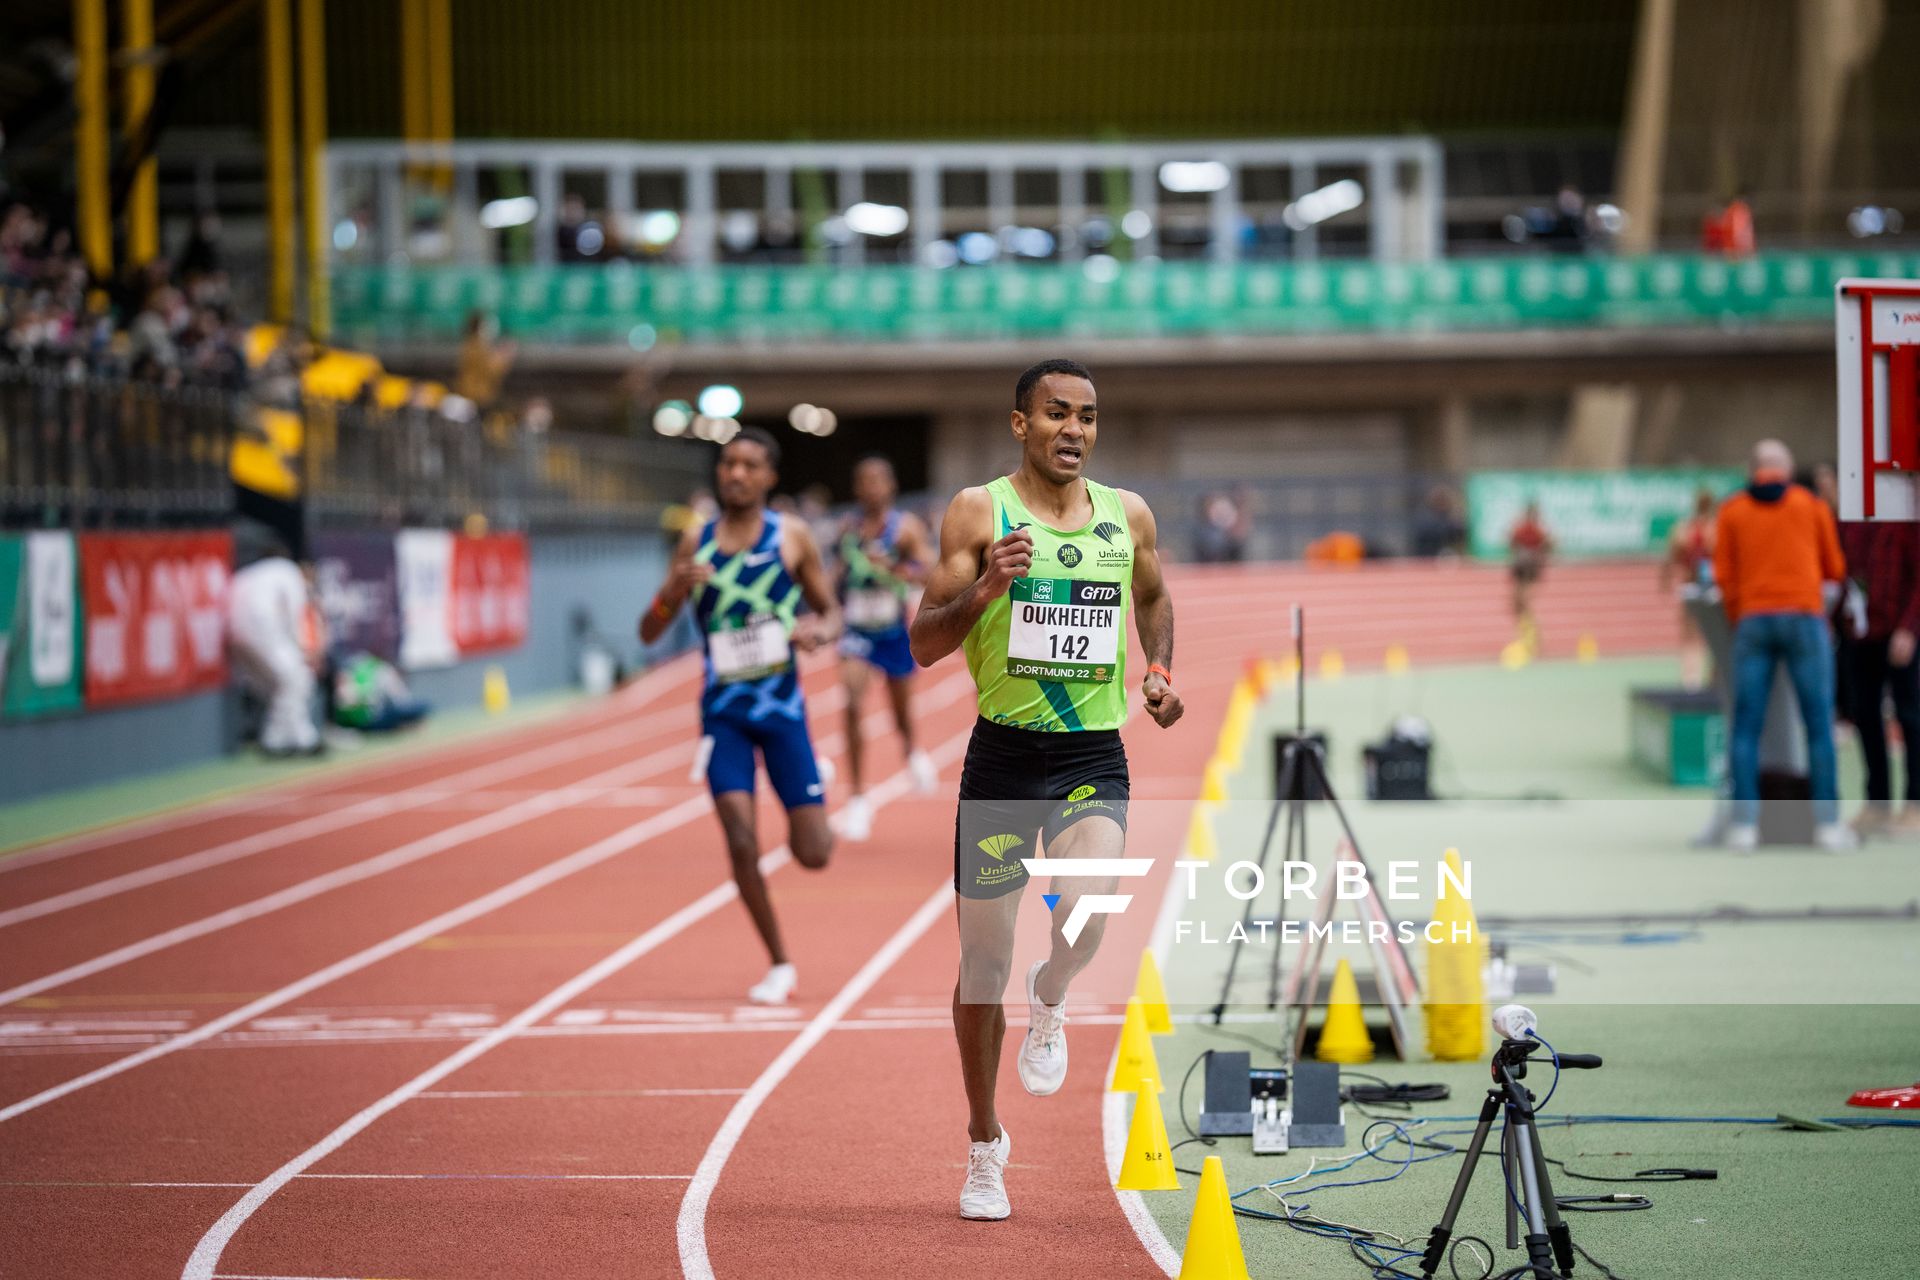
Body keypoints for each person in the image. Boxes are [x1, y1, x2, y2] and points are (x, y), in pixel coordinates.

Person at [909, 358, 1183, 1221]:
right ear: (1021, 424)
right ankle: (985, 1144)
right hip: (1001, 762)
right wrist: (989, 586)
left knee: (1090, 910)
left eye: (1089, 417)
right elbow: (921, 642)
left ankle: (1055, 990)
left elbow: (1155, 595)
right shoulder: (977, 511)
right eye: (1057, 414)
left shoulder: (1126, 514)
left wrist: (1160, 668)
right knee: (981, 966)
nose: (1075, 430)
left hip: (1089, 756)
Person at [639, 427, 842, 1004]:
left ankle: (812, 775)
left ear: (770, 477)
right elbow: (649, 631)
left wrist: (815, 631)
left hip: (782, 713)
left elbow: (831, 613)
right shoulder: (693, 545)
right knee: (742, 840)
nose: (736, 474)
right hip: (723, 716)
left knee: (814, 854)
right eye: (728, 464)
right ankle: (779, 961)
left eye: (750, 465)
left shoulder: (792, 537)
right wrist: (671, 591)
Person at [1712, 439, 1852, 851]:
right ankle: (1827, 825)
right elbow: (1836, 568)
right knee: (1818, 725)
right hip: (1805, 617)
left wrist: (1743, 613)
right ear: (1787, 470)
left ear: (1753, 469)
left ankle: (1744, 826)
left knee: (1746, 727)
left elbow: (1723, 575)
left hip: (1754, 621)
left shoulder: (1733, 510)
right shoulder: (1811, 506)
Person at [837, 456, 938, 840]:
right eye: (863, 481)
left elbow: (930, 570)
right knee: (850, 699)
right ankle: (858, 798)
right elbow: (835, 574)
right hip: (857, 629)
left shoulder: (904, 529)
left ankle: (912, 749)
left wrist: (899, 569)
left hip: (893, 629)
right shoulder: (849, 529)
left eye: (877, 481)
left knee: (900, 712)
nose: (870, 488)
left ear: (890, 486)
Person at [1838, 518, 1920, 837]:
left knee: (1909, 715)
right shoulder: (1853, 523)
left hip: (1899, 631)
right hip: (1861, 633)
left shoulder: (1907, 521)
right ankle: (1878, 803)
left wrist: (1910, 629)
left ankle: (1915, 804)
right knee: (1864, 715)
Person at [228, 548, 323, 757]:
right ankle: (291, 739)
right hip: (262, 631)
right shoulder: (288, 572)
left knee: (280, 687)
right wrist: (303, 650)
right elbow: (294, 613)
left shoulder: (249, 573)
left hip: (233, 635)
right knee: (297, 679)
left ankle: (290, 736)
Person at [1660, 489, 1718, 689]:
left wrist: (1665, 580)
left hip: (1691, 586)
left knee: (1690, 636)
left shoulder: (1683, 530)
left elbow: (1670, 558)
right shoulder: (1716, 529)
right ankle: (1712, 678)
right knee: (1715, 635)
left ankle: (1690, 679)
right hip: (1713, 588)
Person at [1507, 501, 1554, 648]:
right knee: (1517, 604)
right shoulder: (1523, 528)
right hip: (1522, 569)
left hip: (1530, 570)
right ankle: (1528, 635)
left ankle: (1533, 637)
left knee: (1523, 602)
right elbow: (1512, 543)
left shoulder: (1538, 530)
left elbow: (1549, 545)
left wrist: (1537, 555)